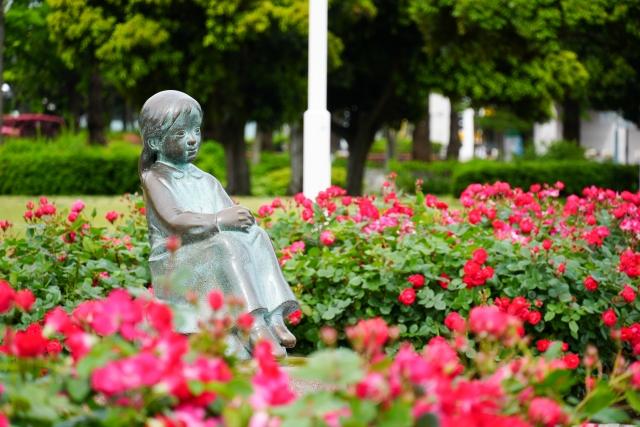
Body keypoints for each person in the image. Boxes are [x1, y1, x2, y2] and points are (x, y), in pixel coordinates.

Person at [138, 90, 299, 358]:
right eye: (180, 134)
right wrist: (218, 220)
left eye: (196, 131)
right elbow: (175, 220)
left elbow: (229, 212)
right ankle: (253, 324)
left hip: (208, 251)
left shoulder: (206, 180)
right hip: (175, 261)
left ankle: (274, 314)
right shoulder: (155, 178)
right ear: (155, 141)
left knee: (257, 236)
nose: (192, 140)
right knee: (224, 244)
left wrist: (242, 220)